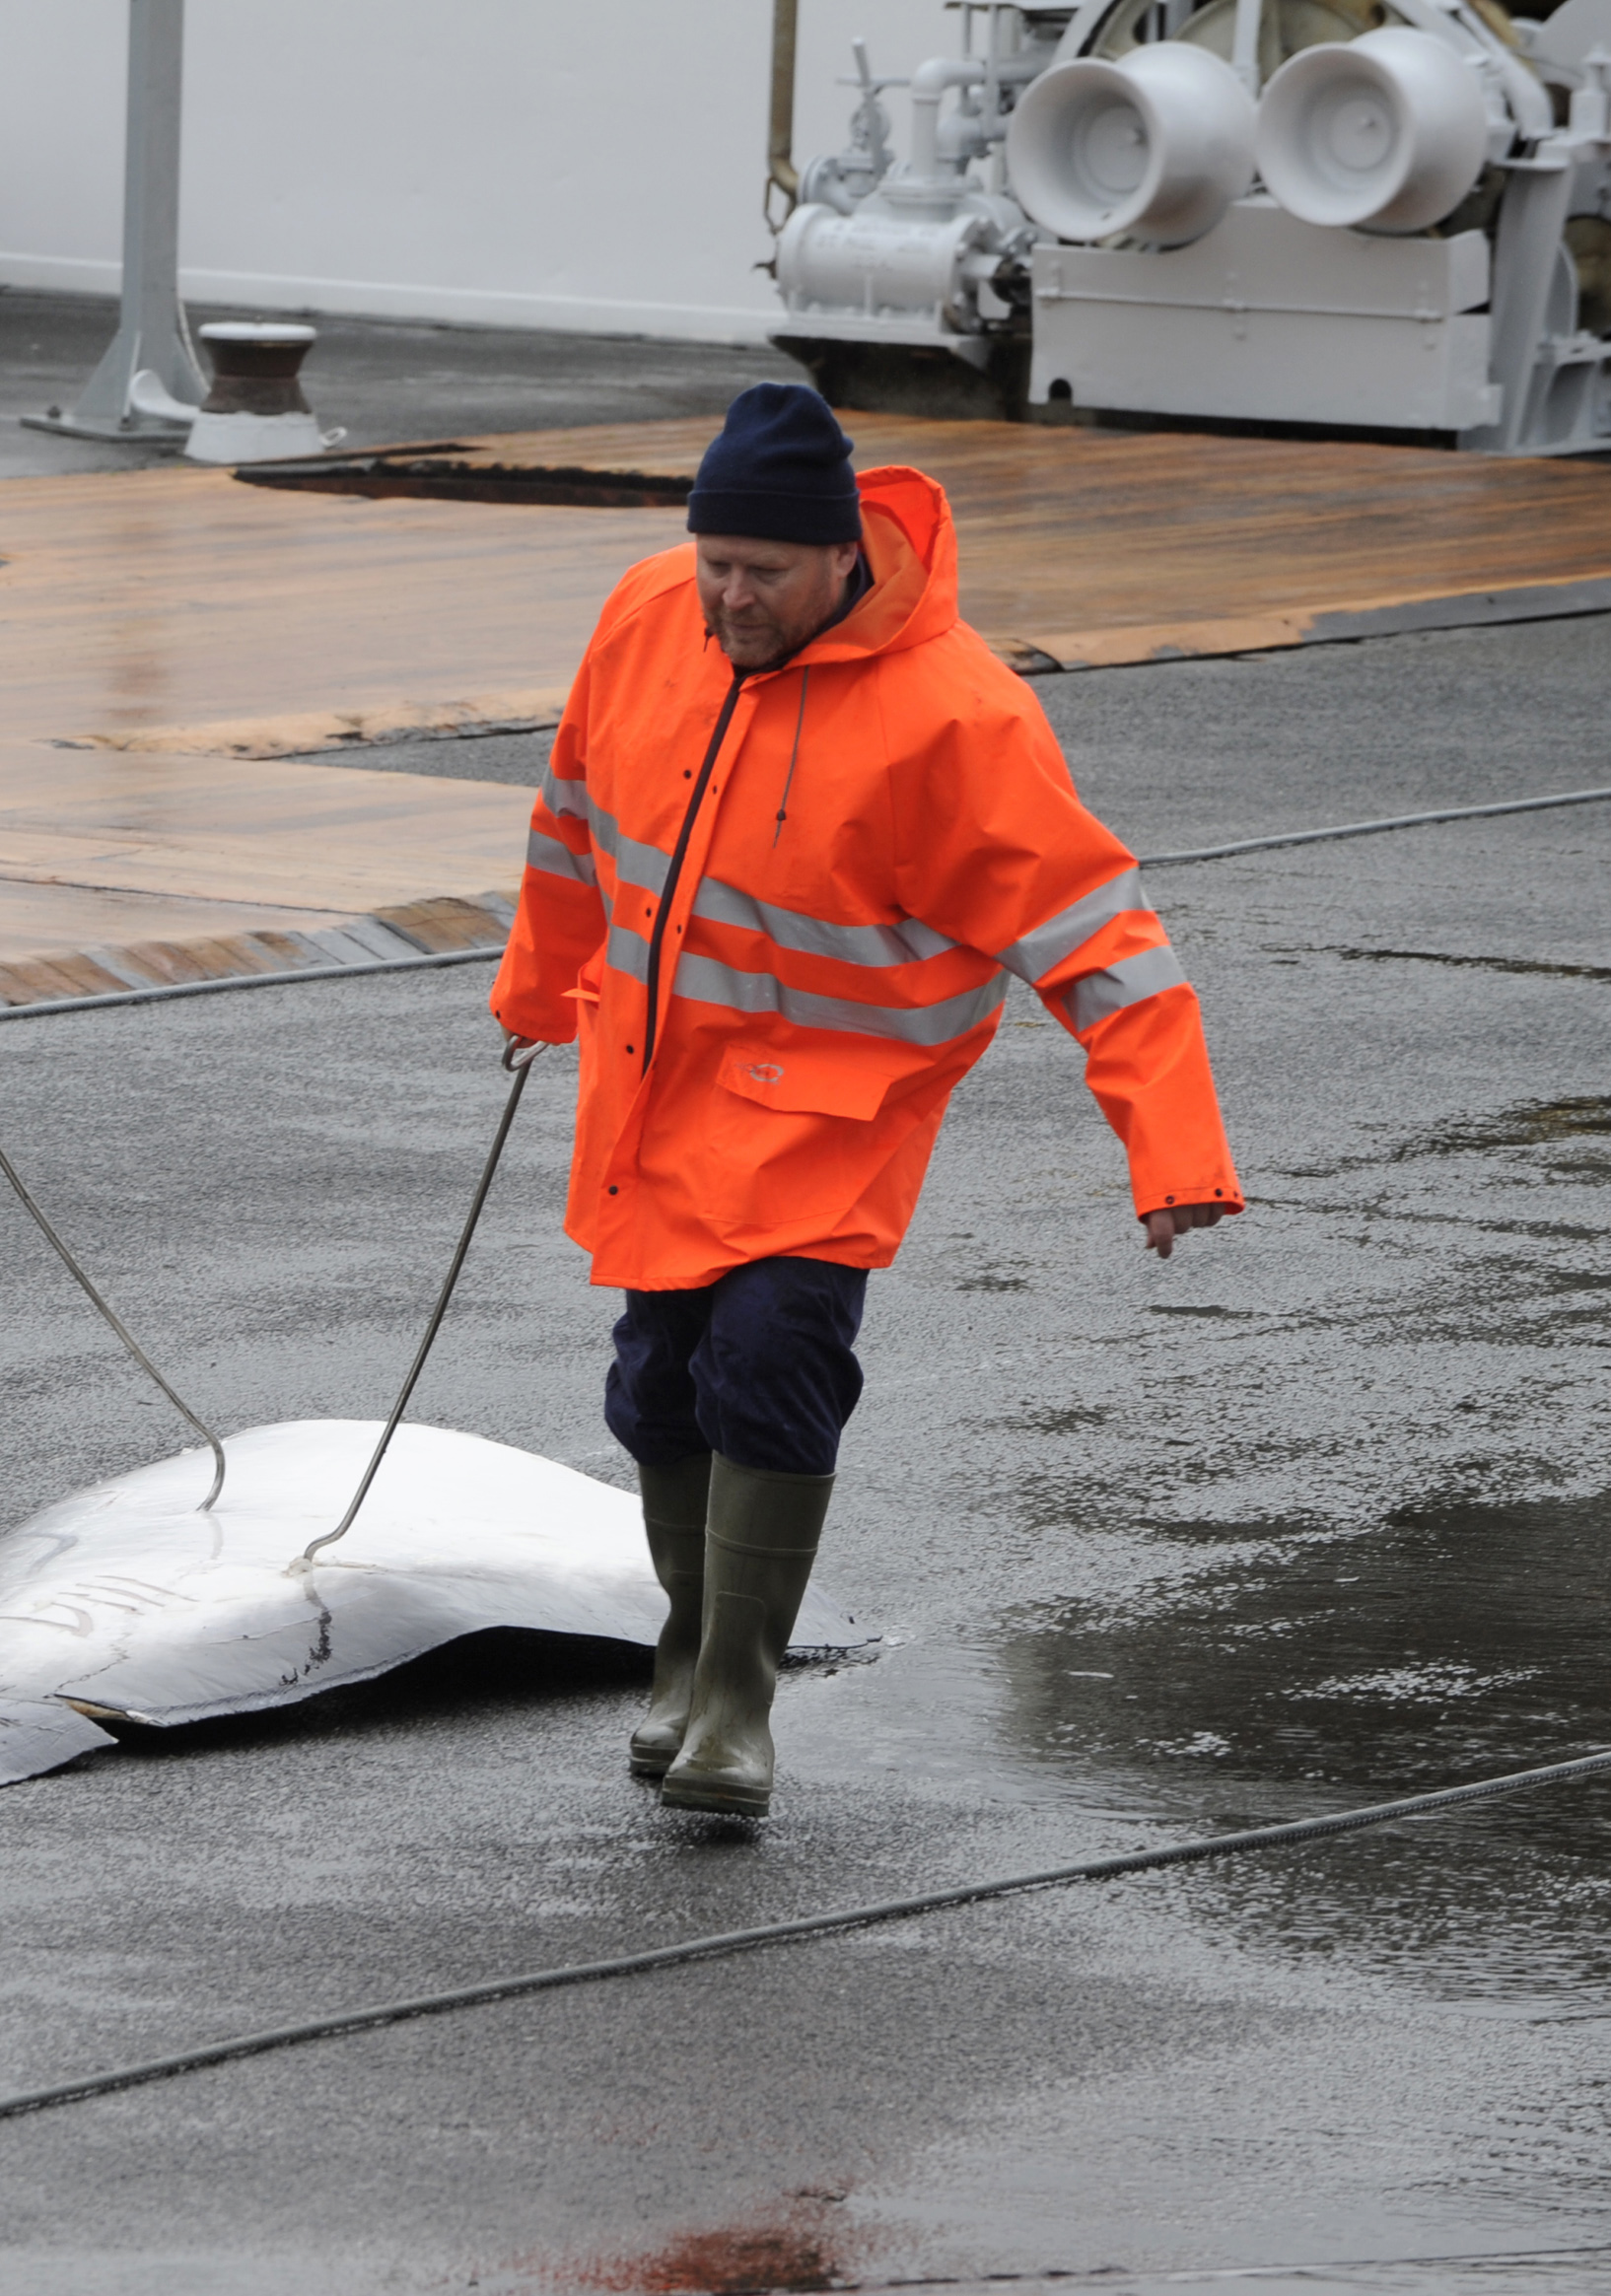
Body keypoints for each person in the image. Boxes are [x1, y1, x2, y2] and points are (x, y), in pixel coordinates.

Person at [492, 383, 1242, 1818]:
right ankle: (684, 1650)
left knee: (768, 1359)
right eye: (715, 561)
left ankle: (734, 1705)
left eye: (763, 572)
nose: (729, 597)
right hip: (655, 1093)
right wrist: (538, 991)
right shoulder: (646, 614)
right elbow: (573, 817)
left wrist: (1174, 1152)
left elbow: (1099, 940)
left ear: (844, 556)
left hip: (832, 1121)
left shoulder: (958, 716)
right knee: (657, 1380)